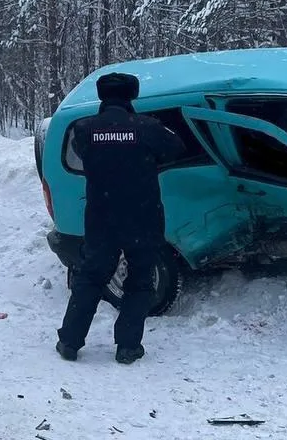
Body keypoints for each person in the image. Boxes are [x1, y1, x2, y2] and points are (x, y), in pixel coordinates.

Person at [55, 72, 186, 365]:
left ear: (102, 96)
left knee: (90, 277)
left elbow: (81, 152)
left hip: (102, 216)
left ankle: (69, 341)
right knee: (139, 280)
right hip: (142, 216)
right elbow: (177, 148)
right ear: (132, 96)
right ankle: (127, 347)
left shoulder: (86, 129)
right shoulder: (148, 128)